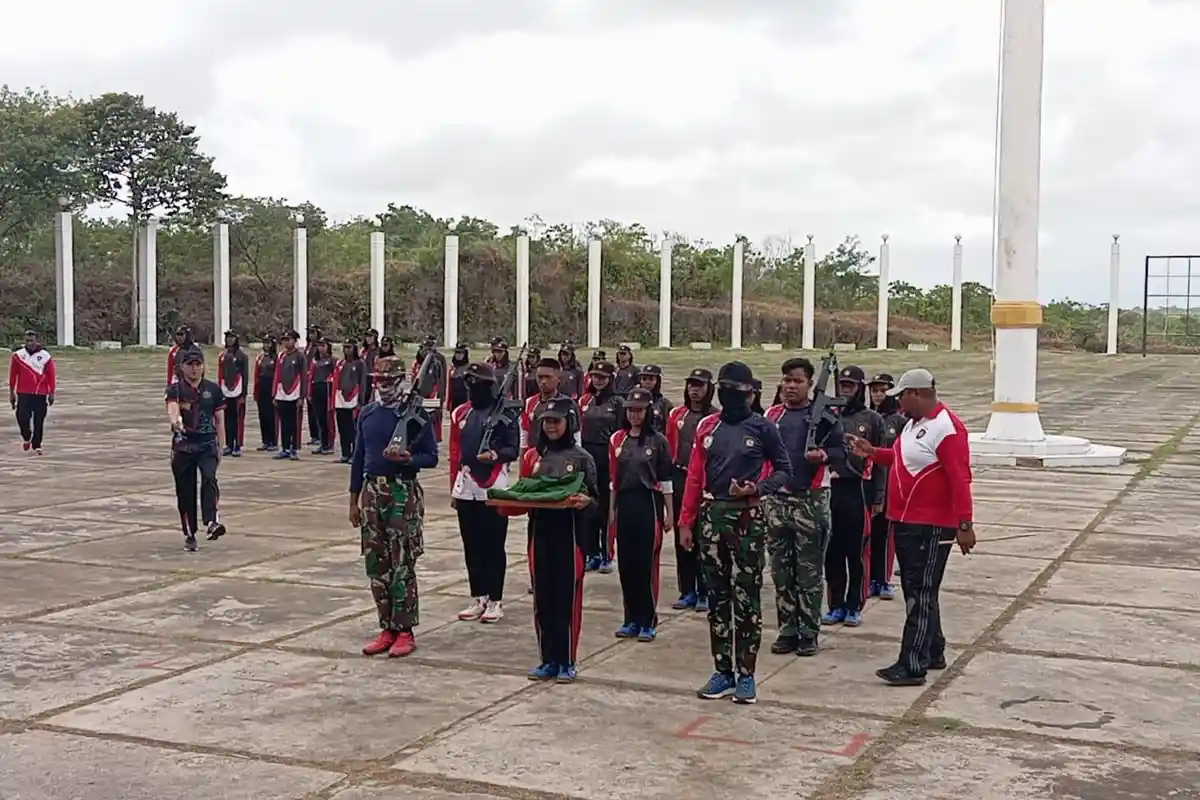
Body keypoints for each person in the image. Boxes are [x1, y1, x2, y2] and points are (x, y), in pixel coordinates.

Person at [845, 368, 974, 686]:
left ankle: (912, 663)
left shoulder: (947, 429)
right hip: (905, 521)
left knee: (921, 592)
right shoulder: (915, 425)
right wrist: (874, 452)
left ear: (917, 393)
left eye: (901, 396)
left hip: (930, 526)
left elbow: (961, 478)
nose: (898, 403)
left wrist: (964, 524)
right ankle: (933, 649)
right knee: (919, 590)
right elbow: (903, 459)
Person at [679, 362, 792, 705]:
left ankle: (746, 674)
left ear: (750, 393)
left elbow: (784, 470)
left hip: (747, 518)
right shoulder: (706, 426)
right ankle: (722, 671)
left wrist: (756, 489)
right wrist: (686, 521)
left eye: (737, 391)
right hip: (712, 517)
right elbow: (695, 477)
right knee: (717, 599)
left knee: (746, 598)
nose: (730, 396)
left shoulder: (763, 428)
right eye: (724, 389)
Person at [350, 355, 439, 658]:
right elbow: (359, 458)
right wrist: (354, 500)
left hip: (402, 492)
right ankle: (385, 626)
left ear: (402, 380)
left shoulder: (415, 415)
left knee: (403, 564)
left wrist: (409, 460)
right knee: (377, 564)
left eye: (389, 381)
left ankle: (405, 630)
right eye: (379, 381)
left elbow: (431, 456)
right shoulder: (368, 414)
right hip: (373, 491)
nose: (384, 386)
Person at [762, 358, 846, 657]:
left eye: (797, 381)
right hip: (777, 500)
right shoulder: (772, 416)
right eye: (786, 380)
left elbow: (842, 451)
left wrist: (823, 455)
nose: (790, 386)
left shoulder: (824, 416)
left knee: (809, 572)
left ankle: (808, 632)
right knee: (781, 570)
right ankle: (787, 629)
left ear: (810, 384)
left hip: (811, 499)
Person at [525, 399, 598, 683]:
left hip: (569, 537)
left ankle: (567, 660)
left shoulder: (582, 458)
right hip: (539, 534)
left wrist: (586, 502)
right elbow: (524, 491)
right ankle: (547, 659)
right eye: (546, 421)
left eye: (556, 421)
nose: (551, 426)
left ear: (569, 423)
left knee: (566, 599)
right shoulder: (533, 457)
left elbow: (597, 503)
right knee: (542, 598)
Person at [449, 362, 519, 624]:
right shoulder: (461, 413)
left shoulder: (504, 412)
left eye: (478, 384)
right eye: (469, 384)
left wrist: (495, 455)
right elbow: (455, 454)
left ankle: (495, 599)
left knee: (493, 545)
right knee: (472, 545)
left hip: (494, 483)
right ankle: (478, 596)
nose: (472, 389)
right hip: (466, 483)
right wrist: (454, 489)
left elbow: (514, 449)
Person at [609, 388, 674, 641]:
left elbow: (665, 479)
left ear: (648, 412)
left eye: (639, 410)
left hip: (648, 503)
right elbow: (613, 480)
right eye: (631, 410)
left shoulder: (658, 441)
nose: (635, 415)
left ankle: (647, 619)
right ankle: (631, 618)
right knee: (626, 564)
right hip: (625, 502)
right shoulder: (617, 439)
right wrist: (611, 511)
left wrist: (669, 512)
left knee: (645, 564)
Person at [823, 365, 885, 628]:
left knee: (856, 552)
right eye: (842, 385)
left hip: (859, 490)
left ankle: (854, 605)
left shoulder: (871, 419)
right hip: (830, 490)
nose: (845, 389)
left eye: (850, 385)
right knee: (831, 551)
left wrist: (879, 497)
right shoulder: (827, 415)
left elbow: (880, 461)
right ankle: (835, 604)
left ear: (860, 388)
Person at [165, 348, 227, 552]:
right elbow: (172, 410)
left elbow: (219, 420)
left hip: (207, 443)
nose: (194, 368)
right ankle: (189, 533)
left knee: (209, 478)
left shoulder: (213, 389)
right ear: (182, 367)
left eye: (198, 364)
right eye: (190, 364)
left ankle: (211, 521)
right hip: (184, 446)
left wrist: (221, 445)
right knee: (186, 491)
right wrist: (175, 422)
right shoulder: (175, 389)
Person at [665, 368, 716, 612]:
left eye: (700, 385)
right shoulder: (677, 414)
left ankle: (706, 590)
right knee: (682, 537)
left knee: (704, 538)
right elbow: (669, 447)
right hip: (679, 478)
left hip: (705, 484)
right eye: (691, 385)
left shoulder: (716, 417)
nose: (694, 390)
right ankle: (687, 590)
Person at [579, 361, 621, 573]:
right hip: (587, 458)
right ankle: (591, 552)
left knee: (606, 509)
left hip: (608, 458)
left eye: (603, 377)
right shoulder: (585, 400)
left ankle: (607, 554)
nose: (598, 380)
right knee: (589, 507)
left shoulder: (618, 402)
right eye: (595, 376)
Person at [867, 373, 906, 599]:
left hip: (890, 485)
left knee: (886, 534)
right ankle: (870, 577)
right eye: (874, 391)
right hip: (868, 482)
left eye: (882, 390)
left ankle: (883, 579)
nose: (878, 395)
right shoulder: (867, 417)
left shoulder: (898, 421)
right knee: (869, 535)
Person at [519, 357, 581, 455]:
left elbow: (576, 438)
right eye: (540, 377)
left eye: (548, 377)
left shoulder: (569, 404)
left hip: (561, 458)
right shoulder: (529, 403)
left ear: (558, 379)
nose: (543, 381)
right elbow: (524, 438)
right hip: (535, 458)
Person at [9, 329, 55, 455]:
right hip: (23, 392)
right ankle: (26, 436)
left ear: (37, 341)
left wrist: (51, 392)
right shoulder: (18, 356)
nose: (29, 343)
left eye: (32, 341)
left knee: (38, 420)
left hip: (40, 393)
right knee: (22, 417)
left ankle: (37, 445)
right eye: (27, 341)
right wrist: (11, 392)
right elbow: (13, 375)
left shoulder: (45, 356)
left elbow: (51, 375)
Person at [273, 330, 307, 460]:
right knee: (284, 423)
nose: (286, 342)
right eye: (284, 340)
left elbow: (304, 376)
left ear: (295, 340)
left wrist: (302, 396)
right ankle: (285, 448)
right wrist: (275, 393)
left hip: (295, 394)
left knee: (294, 423)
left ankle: (294, 449)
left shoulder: (300, 356)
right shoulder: (281, 356)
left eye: (289, 339)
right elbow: (277, 375)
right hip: (282, 394)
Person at [217, 330, 249, 457]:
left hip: (238, 392)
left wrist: (243, 394)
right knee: (227, 420)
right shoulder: (223, 355)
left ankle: (237, 445)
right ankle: (229, 444)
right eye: (227, 338)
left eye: (231, 338)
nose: (229, 340)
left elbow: (245, 376)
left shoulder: (242, 356)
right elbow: (221, 375)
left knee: (238, 420)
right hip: (225, 391)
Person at [332, 342, 365, 463]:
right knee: (342, 428)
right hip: (340, 399)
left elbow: (362, 383)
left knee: (353, 429)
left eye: (349, 347)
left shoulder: (360, 364)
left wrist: (361, 401)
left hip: (353, 399)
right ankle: (345, 453)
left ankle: (354, 454)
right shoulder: (340, 363)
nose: (346, 350)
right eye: (344, 347)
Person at [413, 334, 448, 443]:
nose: (425, 352)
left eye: (427, 350)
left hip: (431, 397)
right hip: (417, 397)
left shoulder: (437, 362)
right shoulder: (416, 363)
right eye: (423, 349)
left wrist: (441, 398)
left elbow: (441, 381)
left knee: (432, 422)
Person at [308, 337, 337, 455]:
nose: (321, 348)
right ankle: (322, 442)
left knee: (327, 418)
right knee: (319, 417)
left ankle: (329, 443)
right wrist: (309, 392)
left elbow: (336, 376)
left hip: (327, 388)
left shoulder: (332, 360)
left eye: (323, 345)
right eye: (319, 346)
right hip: (316, 388)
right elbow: (311, 377)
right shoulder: (315, 361)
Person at [253, 336, 279, 451]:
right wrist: (255, 390)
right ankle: (265, 441)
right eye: (265, 343)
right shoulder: (260, 357)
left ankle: (273, 441)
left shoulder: (277, 358)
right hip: (262, 386)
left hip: (271, 386)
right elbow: (256, 374)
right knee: (262, 415)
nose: (266, 346)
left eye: (268, 343)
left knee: (271, 415)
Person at [636, 364, 673, 432]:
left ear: (657, 381)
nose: (647, 382)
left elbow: (670, 429)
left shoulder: (665, 404)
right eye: (644, 379)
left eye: (651, 379)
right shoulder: (634, 402)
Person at [304, 324, 324, 445]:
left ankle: (320, 435)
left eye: (313, 332)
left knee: (318, 410)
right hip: (308, 379)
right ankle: (314, 435)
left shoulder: (319, 347)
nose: (311, 335)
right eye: (309, 332)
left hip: (316, 379)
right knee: (310, 410)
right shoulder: (308, 347)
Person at [447, 342, 471, 410]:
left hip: (465, 399)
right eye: (457, 352)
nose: (458, 355)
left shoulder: (469, 368)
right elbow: (449, 387)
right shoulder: (452, 368)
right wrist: (448, 403)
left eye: (461, 353)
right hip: (454, 399)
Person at [360, 329, 381, 405]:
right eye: (366, 336)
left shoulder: (378, 351)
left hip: (373, 378)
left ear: (375, 337)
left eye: (370, 336)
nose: (368, 338)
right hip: (363, 378)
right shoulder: (363, 351)